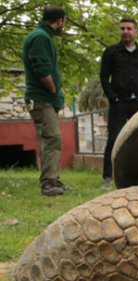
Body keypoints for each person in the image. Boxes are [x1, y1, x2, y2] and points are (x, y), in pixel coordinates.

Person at [100, 18, 138, 188]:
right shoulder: (111, 52)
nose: (125, 32)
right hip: (119, 103)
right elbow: (104, 77)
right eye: (122, 28)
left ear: (136, 32)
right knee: (114, 138)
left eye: (129, 29)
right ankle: (108, 177)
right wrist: (112, 97)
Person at [22, 5, 66, 196]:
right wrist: (53, 89)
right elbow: (41, 69)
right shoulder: (40, 37)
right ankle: (48, 183)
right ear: (60, 20)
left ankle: (53, 179)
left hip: (45, 98)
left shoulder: (43, 36)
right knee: (52, 137)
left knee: (49, 139)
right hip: (41, 98)